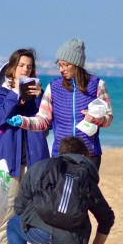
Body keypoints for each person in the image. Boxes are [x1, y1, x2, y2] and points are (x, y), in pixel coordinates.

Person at [0, 48, 50, 244]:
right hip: (7, 161)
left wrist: (37, 97)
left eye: (29, 67)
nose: (26, 70)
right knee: (4, 213)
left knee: (35, 211)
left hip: (34, 159)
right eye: (22, 66)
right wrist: (15, 96)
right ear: (12, 67)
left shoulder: (37, 94)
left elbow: (46, 122)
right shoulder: (1, 92)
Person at [5, 136, 115, 244]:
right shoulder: (85, 175)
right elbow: (106, 218)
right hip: (70, 239)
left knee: (13, 223)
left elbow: (20, 206)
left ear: (59, 151)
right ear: (83, 155)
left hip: (37, 233)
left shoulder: (38, 168)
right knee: (84, 214)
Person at [7, 38, 113, 170]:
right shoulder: (53, 87)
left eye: (65, 65)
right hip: (61, 155)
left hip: (89, 154)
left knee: (85, 191)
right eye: (59, 64)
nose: (61, 69)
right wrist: (22, 121)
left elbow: (108, 119)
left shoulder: (97, 85)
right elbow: (43, 121)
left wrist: (97, 120)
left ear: (77, 63)